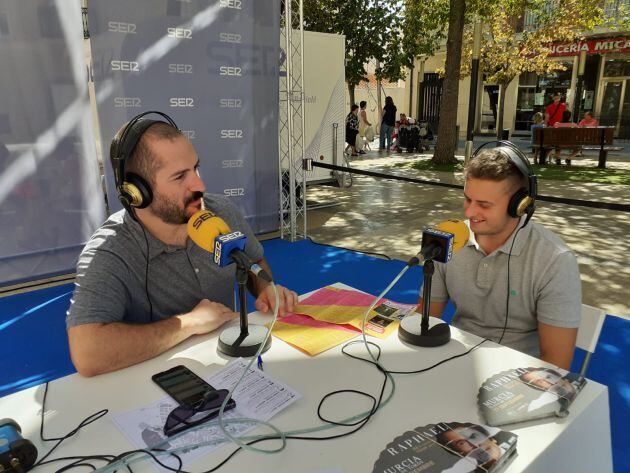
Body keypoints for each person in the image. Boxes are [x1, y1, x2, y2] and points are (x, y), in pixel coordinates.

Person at [66, 113, 298, 377]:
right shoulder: (110, 250)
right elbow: (87, 353)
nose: (199, 185)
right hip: (151, 383)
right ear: (138, 192)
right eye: (179, 177)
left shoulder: (221, 212)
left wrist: (264, 287)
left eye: (196, 168)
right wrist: (188, 324)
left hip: (229, 370)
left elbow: (253, 260)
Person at [417, 147, 581, 369]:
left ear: (519, 205)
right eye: (467, 199)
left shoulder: (555, 261)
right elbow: (424, 320)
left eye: (484, 205)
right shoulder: (450, 239)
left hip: (518, 375)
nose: (469, 212)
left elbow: (556, 364)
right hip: (453, 361)